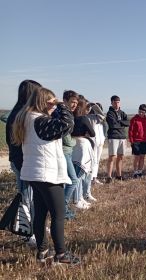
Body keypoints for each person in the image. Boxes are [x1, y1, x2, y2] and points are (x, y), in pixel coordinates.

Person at [12, 87, 80, 264]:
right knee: (58, 215)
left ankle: (43, 251)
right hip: (47, 174)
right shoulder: (40, 121)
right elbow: (67, 125)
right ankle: (61, 254)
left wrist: (55, 108)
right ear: (43, 102)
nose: (53, 105)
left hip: (35, 174)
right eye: (51, 102)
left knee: (41, 214)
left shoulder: (27, 118)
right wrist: (63, 106)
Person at [5, 80, 42, 246]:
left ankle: (35, 227)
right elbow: (16, 144)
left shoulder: (21, 112)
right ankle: (28, 233)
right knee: (27, 198)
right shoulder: (20, 115)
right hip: (22, 162)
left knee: (31, 197)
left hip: (24, 162)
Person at [71, 96, 95, 208]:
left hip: (72, 144)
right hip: (81, 145)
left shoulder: (70, 117)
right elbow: (92, 133)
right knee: (79, 174)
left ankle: (79, 197)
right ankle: (77, 199)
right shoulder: (83, 118)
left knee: (76, 173)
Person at [60, 90, 79, 219]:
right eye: (72, 102)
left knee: (66, 181)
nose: (74, 105)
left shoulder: (67, 114)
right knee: (73, 180)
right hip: (64, 153)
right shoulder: (63, 115)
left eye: (76, 103)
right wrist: (75, 140)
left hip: (67, 152)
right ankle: (63, 209)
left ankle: (62, 209)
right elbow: (67, 140)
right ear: (65, 101)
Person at [105, 95, 130, 183]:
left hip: (122, 137)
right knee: (112, 157)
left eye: (118, 102)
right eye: (115, 102)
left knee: (120, 157)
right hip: (113, 137)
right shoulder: (109, 113)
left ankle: (119, 175)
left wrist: (120, 122)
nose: (117, 104)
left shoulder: (122, 112)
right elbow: (113, 125)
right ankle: (109, 177)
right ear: (111, 103)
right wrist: (121, 124)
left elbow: (128, 123)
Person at [128, 104, 146, 178]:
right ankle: (135, 172)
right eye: (140, 111)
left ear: (145, 112)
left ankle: (140, 172)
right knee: (137, 157)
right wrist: (132, 141)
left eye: (143, 112)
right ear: (138, 110)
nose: (141, 113)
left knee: (142, 157)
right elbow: (130, 131)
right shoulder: (134, 119)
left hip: (145, 141)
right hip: (136, 141)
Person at [87, 102, 106, 185]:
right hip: (93, 142)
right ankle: (90, 178)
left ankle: (95, 177)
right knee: (92, 160)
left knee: (97, 161)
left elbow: (104, 130)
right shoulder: (90, 118)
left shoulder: (101, 120)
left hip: (100, 143)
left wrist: (104, 138)